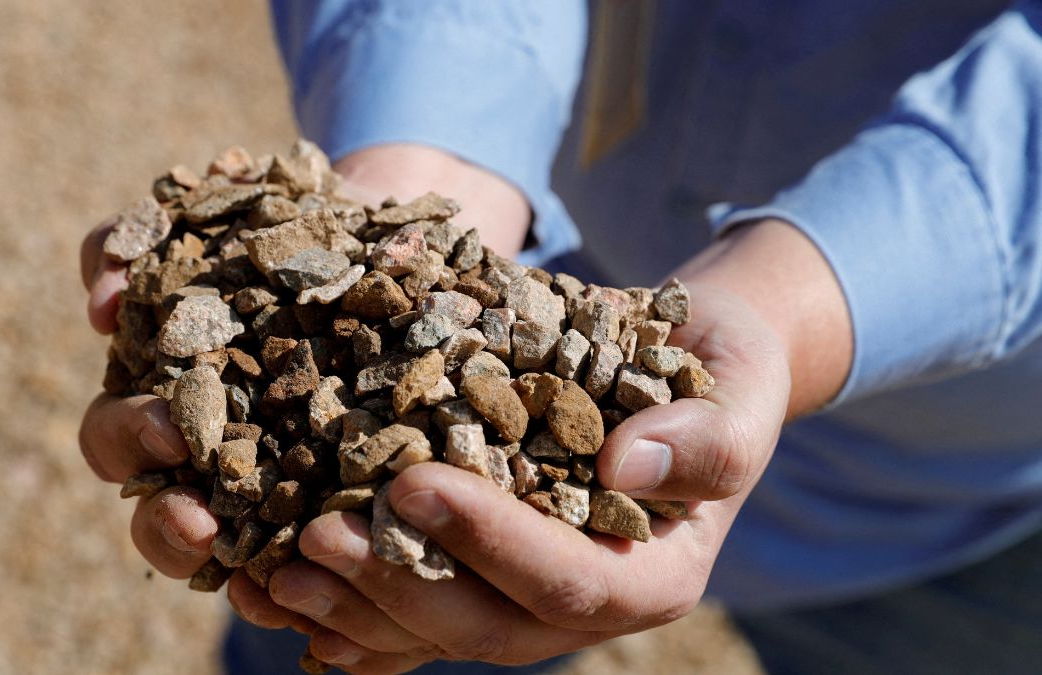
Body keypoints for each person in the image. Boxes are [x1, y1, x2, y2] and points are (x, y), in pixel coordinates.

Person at [79, 1, 1042, 672]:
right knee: (339, 598)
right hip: (422, 492)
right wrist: (426, 162)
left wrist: (794, 304)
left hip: (949, 491)